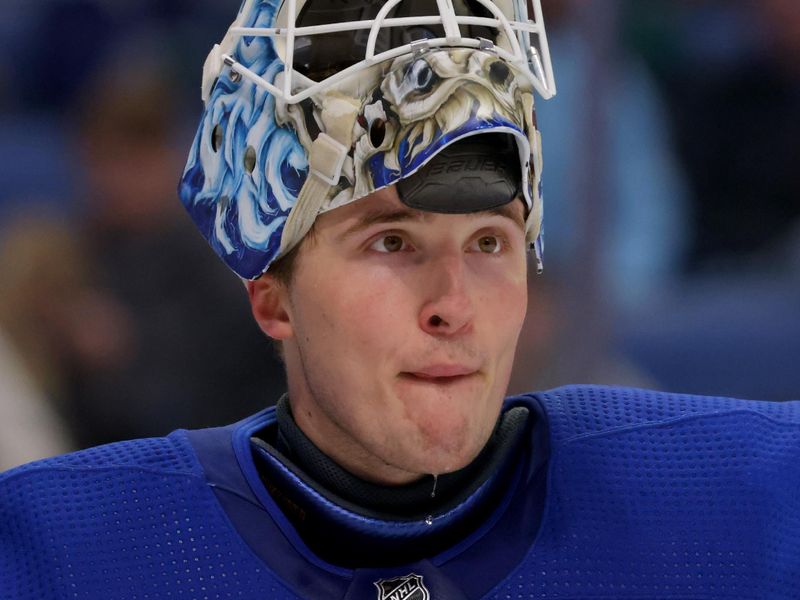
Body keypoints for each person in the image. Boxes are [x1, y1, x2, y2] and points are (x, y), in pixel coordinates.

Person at [1, 1, 798, 599]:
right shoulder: (63, 551)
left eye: (489, 243)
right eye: (393, 244)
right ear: (271, 295)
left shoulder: (737, 496)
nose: (454, 305)